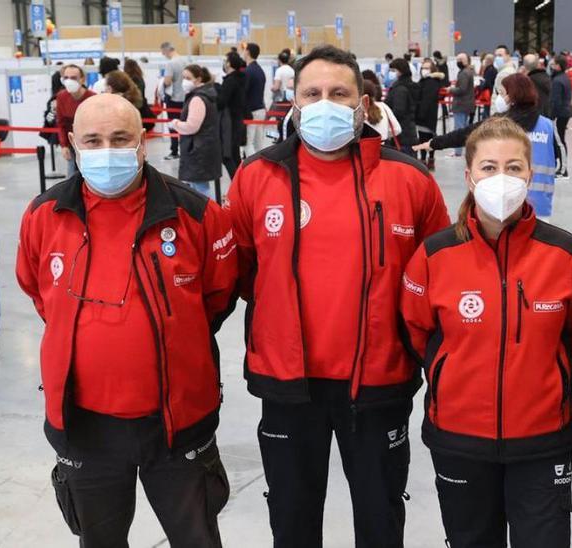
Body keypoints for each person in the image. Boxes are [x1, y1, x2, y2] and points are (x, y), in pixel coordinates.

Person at [226, 44, 449, 548]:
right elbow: (240, 273)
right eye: (313, 93)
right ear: (296, 103)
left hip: (378, 385)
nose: (325, 101)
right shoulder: (257, 178)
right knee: (292, 519)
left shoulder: (410, 180)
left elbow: (437, 281)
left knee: (380, 519)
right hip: (288, 387)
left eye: (339, 92)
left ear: (363, 104)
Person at [16, 93, 237, 548]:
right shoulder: (43, 216)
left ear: (143, 142)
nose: (107, 151)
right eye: (93, 141)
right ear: (72, 145)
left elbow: (217, 297)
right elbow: (43, 297)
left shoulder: (195, 215)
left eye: (120, 139)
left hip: (177, 422)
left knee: (197, 539)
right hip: (86, 427)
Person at [400, 117, 572, 548]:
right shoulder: (435, 254)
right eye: (488, 167)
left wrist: (543, 371)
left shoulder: (564, 252)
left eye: (513, 167)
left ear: (530, 173)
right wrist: (454, 372)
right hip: (459, 437)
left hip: (543, 439)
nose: (501, 178)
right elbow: (417, 333)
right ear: (468, 176)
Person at [416, 73, 565, 220]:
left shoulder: (500, 125)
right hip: (541, 205)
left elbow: (465, 134)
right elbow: (560, 155)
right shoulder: (547, 125)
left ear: (512, 96)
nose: (499, 97)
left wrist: (434, 143)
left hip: (506, 203)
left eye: (502, 93)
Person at [170, 64, 223, 197]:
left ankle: (207, 215)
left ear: (198, 79)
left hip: (198, 150)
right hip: (202, 147)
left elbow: (192, 126)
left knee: (200, 190)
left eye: (188, 78)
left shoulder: (198, 99)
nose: (184, 81)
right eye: (183, 77)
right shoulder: (205, 95)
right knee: (197, 187)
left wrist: (176, 123)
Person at [55, 64, 97, 177]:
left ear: (82, 79)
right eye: (66, 78)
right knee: (72, 177)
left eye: (73, 78)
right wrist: (63, 145)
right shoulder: (61, 97)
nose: (69, 81)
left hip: (90, 144)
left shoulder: (93, 98)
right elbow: (61, 123)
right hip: (71, 144)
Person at [217, 52, 248, 178]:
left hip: (229, 122)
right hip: (237, 120)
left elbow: (221, 102)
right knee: (234, 154)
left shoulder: (230, 81)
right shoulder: (240, 78)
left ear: (229, 63)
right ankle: (241, 183)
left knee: (228, 155)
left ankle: (237, 184)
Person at [415, 58, 446, 169]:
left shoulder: (430, 82)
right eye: (423, 68)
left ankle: (425, 160)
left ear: (432, 69)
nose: (424, 70)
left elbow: (426, 100)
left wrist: (420, 114)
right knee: (428, 137)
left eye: (427, 68)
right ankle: (429, 159)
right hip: (430, 114)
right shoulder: (428, 81)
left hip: (425, 115)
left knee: (425, 138)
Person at [386, 58, 420, 156]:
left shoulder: (400, 89)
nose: (391, 73)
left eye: (393, 70)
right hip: (409, 132)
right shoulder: (409, 85)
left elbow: (399, 111)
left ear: (400, 71)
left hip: (402, 135)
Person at [161, 42, 189, 159]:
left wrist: (161, 84)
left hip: (173, 98)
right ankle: (185, 150)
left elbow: (167, 81)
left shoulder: (170, 63)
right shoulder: (185, 61)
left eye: (163, 53)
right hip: (185, 97)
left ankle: (174, 151)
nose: (164, 55)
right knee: (184, 124)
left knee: (173, 124)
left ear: (166, 50)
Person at [549, 56, 572, 177]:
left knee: (559, 141)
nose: (551, 66)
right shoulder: (564, 78)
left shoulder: (557, 81)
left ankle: (563, 169)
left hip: (560, 114)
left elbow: (556, 101)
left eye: (553, 64)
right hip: (564, 112)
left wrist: (552, 115)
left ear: (558, 66)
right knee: (559, 139)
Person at [241, 43, 268, 157]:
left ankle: (252, 168)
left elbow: (244, 93)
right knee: (259, 143)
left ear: (247, 52)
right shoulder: (259, 70)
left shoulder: (248, 71)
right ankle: (262, 166)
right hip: (260, 108)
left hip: (251, 111)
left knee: (248, 143)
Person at [449, 52, 477, 157]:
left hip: (461, 104)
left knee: (459, 129)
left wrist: (451, 89)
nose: (459, 61)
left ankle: (458, 152)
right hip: (466, 104)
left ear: (467, 61)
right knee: (463, 128)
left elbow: (462, 89)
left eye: (461, 59)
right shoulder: (467, 72)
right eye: (458, 59)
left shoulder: (464, 73)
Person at [478, 52, 499, 121]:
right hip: (491, 92)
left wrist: (480, 86)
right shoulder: (494, 69)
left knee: (486, 111)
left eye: (485, 60)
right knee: (486, 110)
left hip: (488, 93)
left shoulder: (489, 70)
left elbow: (487, 83)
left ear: (488, 61)